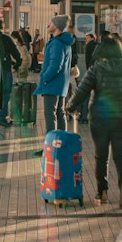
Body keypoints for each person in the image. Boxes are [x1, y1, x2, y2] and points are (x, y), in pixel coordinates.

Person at [67, 32, 122, 208]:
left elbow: (82, 91)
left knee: (101, 157)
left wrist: (70, 106)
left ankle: (102, 192)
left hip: (100, 119)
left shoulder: (96, 68)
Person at [34, 15, 75, 145]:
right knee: (59, 113)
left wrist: (44, 78)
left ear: (56, 26)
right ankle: (61, 144)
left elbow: (56, 65)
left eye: (51, 22)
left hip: (52, 84)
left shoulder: (57, 43)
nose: (49, 25)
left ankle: (51, 146)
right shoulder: (64, 42)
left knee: (50, 115)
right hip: (61, 84)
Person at [0, 19, 19, 127]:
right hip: (4, 70)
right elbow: (17, 55)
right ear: (3, 27)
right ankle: (2, 117)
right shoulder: (6, 38)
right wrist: (16, 65)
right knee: (5, 93)